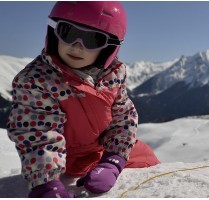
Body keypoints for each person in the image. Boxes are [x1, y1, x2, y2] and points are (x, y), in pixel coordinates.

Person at [6, 1, 160, 197]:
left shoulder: (113, 74)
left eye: (93, 39)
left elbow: (123, 117)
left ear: (109, 47)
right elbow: (38, 134)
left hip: (101, 150)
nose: (77, 46)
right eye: (68, 32)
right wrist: (46, 184)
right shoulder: (37, 81)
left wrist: (113, 160)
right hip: (63, 157)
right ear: (54, 33)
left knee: (147, 158)